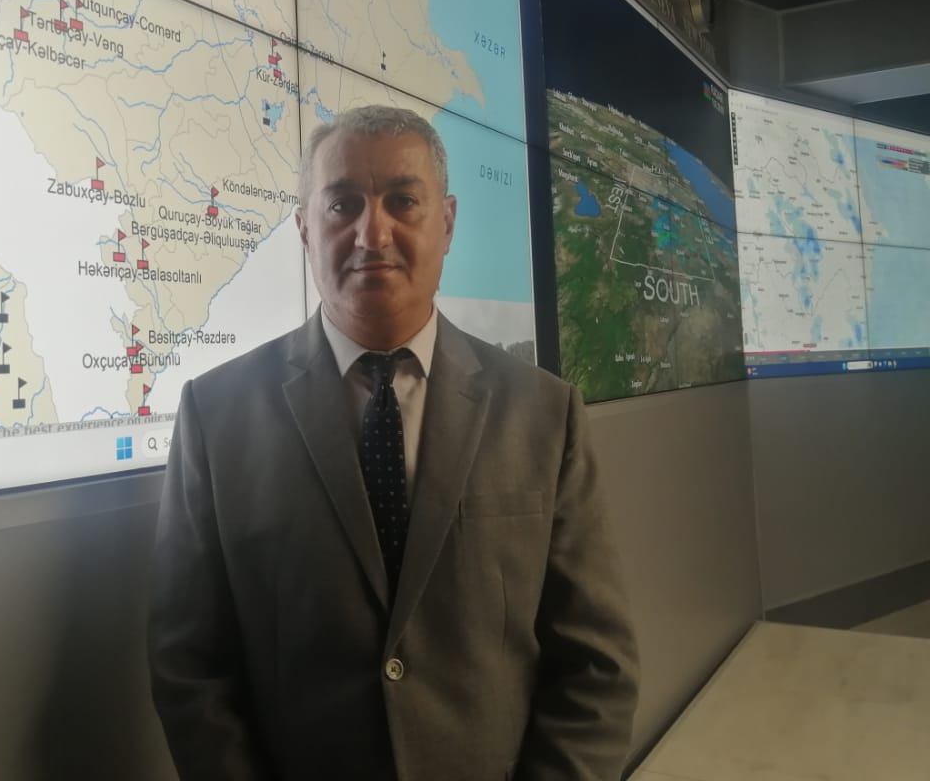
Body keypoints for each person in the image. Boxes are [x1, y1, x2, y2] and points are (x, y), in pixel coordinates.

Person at [148, 105, 639, 780]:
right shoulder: (216, 415)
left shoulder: (544, 415)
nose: (371, 232)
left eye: (403, 201)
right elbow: (189, 665)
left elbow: (596, 665)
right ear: (304, 229)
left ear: (447, 222)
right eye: (342, 204)